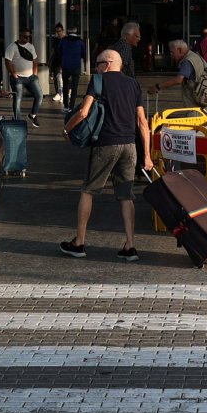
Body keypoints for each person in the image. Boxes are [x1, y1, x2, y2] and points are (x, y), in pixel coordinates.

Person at [60, 50, 153, 262]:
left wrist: (66, 130)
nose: (96, 67)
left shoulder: (98, 81)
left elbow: (83, 112)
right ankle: (130, 245)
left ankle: (79, 242)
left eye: (98, 63)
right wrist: (146, 155)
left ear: (108, 64)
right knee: (126, 194)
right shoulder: (133, 84)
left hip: (106, 144)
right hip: (129, 146)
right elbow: (142, 122)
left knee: (88, 190)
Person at [147, 40, 207, 113]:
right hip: (205, 100)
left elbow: (178, 80)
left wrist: (158, 86)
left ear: (179, 50)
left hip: (198, 105)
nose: (172, 56)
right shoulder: (194, 56)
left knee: (193, 122)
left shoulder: (187, 61)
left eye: (172, 52)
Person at [4, 29, 43, 126]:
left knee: (39, 95)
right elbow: (7, 61)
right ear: (20, 36)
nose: (27, 38)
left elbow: (35, 61)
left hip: (31, 77)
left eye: (29, 37)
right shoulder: (12, 47)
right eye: (25, 37)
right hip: (18, 78)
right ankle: (18, 121)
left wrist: (35, 74)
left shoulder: (31, 46)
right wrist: (13, 74)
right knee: (17, 99)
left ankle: (32, 115)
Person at [57, 27, 88, 109]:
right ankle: (71, 106)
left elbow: (59, 51)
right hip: (76, 66)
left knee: (65, 85)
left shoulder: (63, 41)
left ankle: (65, 106)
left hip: (65, 66)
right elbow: (83, 54)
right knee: (74, 87)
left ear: (67, 32)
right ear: (76, 32)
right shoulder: (80, 42)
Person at [48, 23, 67, 103]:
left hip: (64, 61)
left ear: (62, 30)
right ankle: (58, 93)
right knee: (56, 77)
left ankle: (65, 93)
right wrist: (50, 59)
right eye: (57, 31)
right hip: (56, 60)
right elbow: (53, 50)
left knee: (63, 77)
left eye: (59, 31)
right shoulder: (56, 40)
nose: (58, 33)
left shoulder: (66, 39)